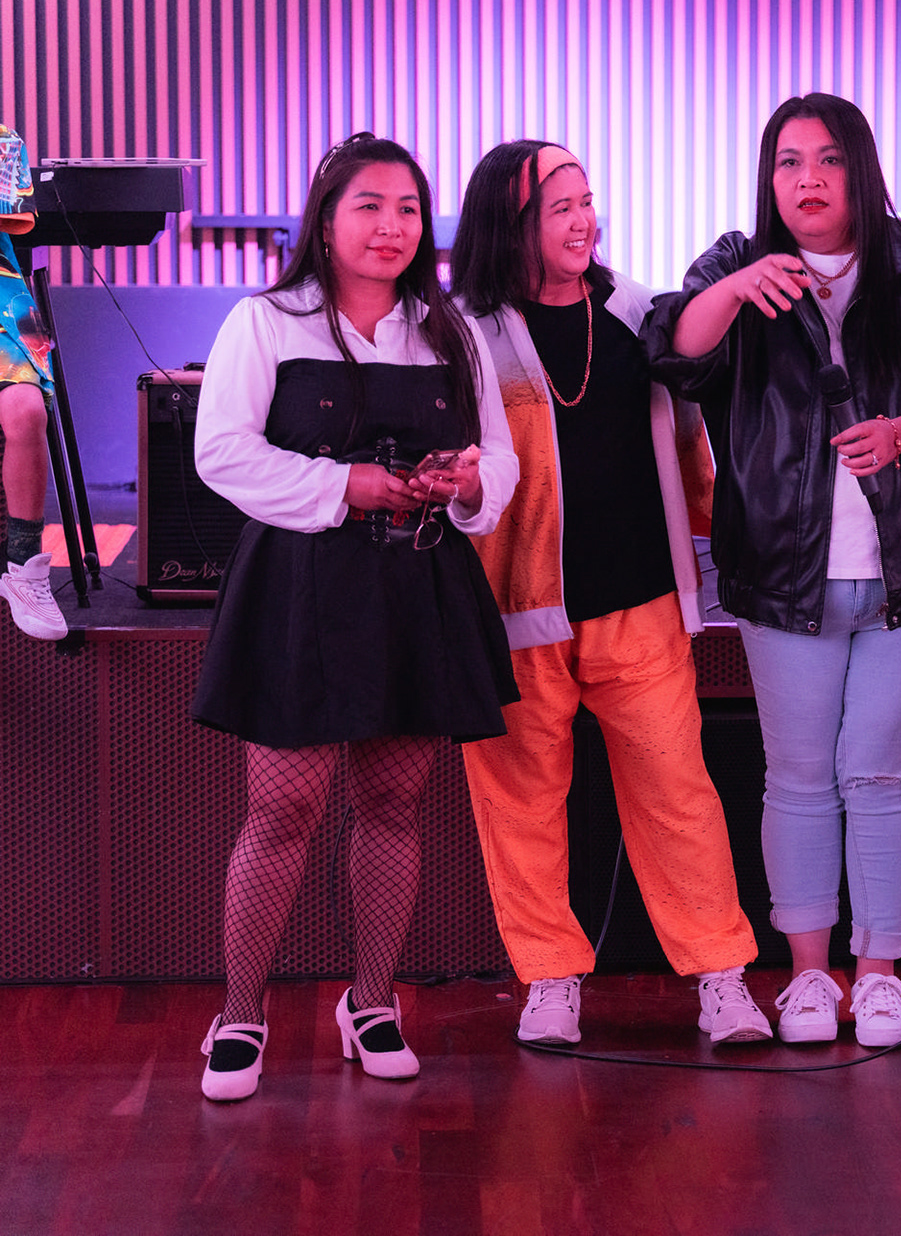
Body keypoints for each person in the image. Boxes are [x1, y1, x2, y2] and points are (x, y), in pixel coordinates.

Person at [645, 93, 901, 1046]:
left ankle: (878, 975)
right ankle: (809, 978)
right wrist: (738, 288)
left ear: (862, 168)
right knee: (799, 778)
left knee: (885, 777)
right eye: (789, 161)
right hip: (781, 572)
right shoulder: (737, 266)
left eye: (828, 159)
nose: (808, 179)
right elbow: (676, 354)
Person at [190, 133, 520, 1101]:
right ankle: (240, 1012)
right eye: (369, 206)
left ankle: (371, 1001)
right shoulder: (266, 321)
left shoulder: (450, 330)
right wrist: (348, 485)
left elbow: (499, 459)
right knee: (282, 808)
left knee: (391, 804)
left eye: (408, 208)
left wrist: (466, 483)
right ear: (325, 220)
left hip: (416, 586)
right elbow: (221, 453)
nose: (391, 226)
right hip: (298, 589)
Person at [448, 140, 767, 1046]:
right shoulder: (463, 333)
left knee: (678, 793)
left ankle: (721, 975)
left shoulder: (636, 312)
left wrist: (726, 532)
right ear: (511, 224)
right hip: (513, 607)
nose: (584, 220)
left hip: (639, 597)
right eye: (561, 207)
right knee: (519, 803)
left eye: (587, 201)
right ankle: (549, 976)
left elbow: (691, 441)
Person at [0, 123, 67, 641]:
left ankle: (24, 570)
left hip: (2, 301)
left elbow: (12, 219)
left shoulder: (3, 141)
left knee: (26, 411)